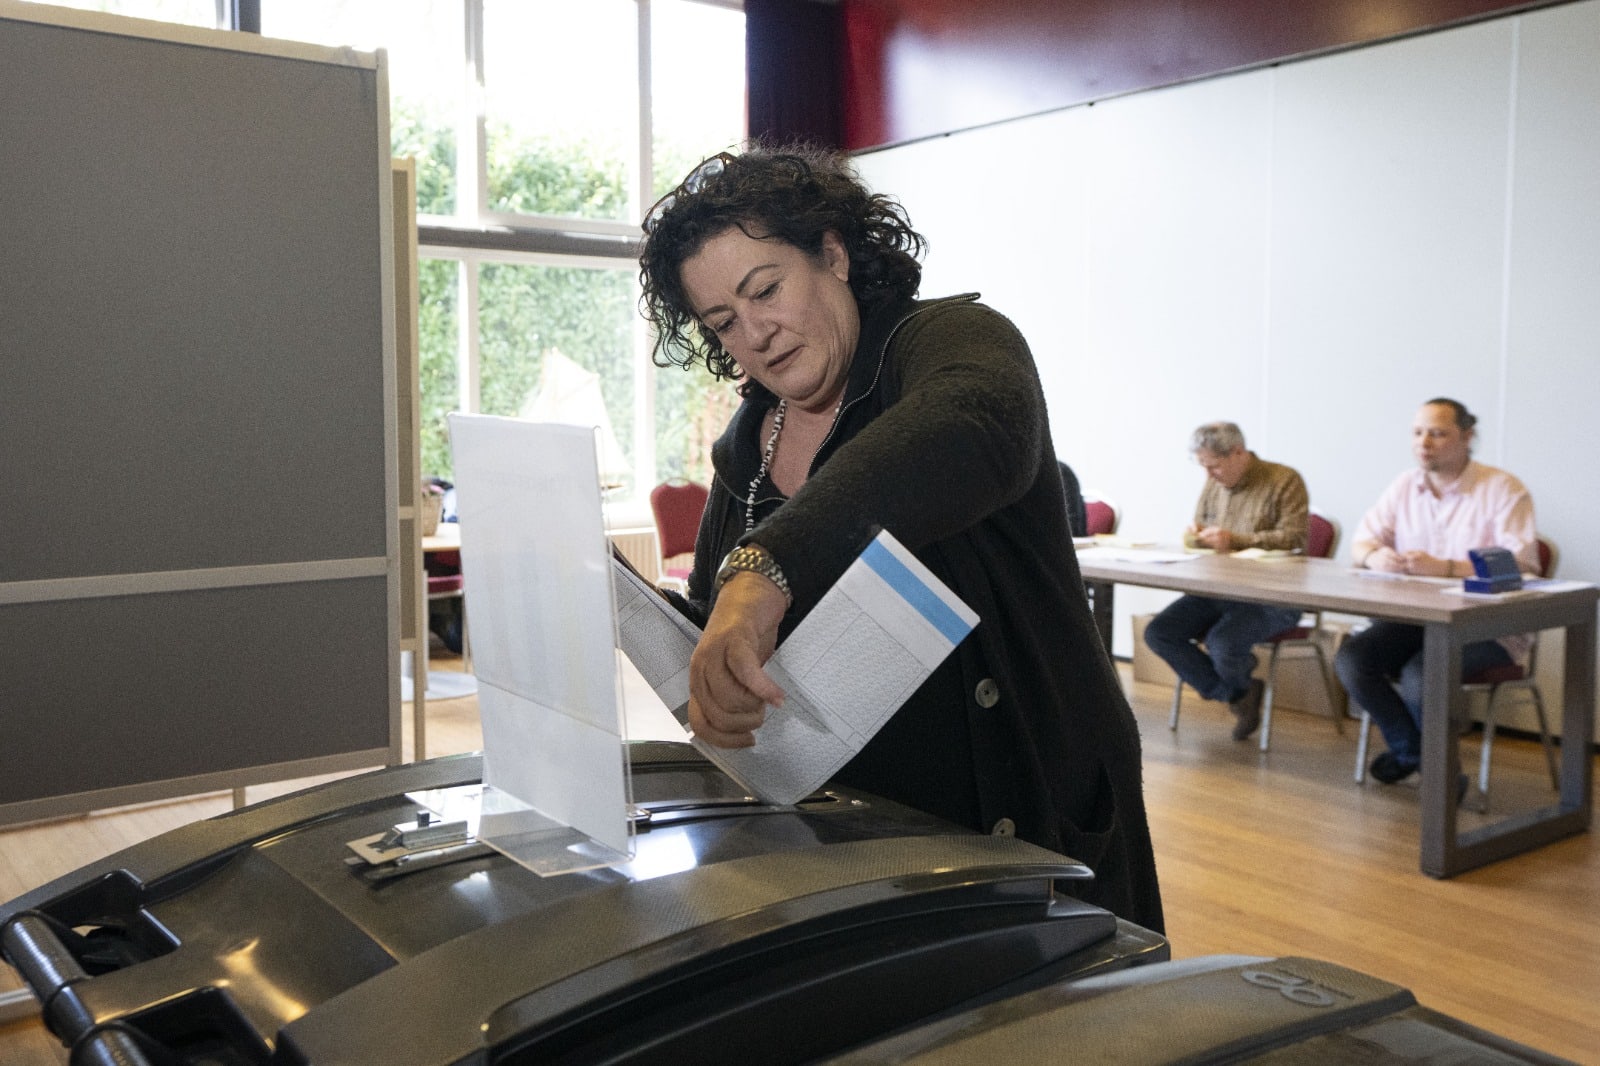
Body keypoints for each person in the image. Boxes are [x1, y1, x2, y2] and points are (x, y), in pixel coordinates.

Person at [637, 145, 1163, 933]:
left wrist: (767, 568)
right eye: (724, 321)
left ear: (835, 254)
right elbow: (722, 611)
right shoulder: (747, 446)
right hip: (859, 832)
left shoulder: (947, 342)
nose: (756, 332)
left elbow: (975, 425)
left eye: (767, 289)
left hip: (1024, 813)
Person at [1335, 398, 1538, 785]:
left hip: (1487, 628)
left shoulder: (1502, 488)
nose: (1424, 443)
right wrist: (1376, 556)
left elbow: (1520, 564)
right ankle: (1414, 753)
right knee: (1352, 658)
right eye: (1417, 433)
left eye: (1438, 433)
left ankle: (1440, 776)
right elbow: (1361, 543)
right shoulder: (1404, 485)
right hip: (1418, 620)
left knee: (1421, 673)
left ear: (1467, 436)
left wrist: (1445, 568)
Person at [1142, 422, 1309, 740]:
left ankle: (1235, 688)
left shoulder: (1284, 480)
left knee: (1222, 642)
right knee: (1159, 633)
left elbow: (1295, 538)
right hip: (1217, 589)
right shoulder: (1214, 483)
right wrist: (1197, 537)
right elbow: (1203, 528)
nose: (1209, 476)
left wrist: (1234, 539)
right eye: (1203, 467)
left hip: (1272, 596)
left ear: (1238, 453)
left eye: (1214, 466)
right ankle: (1235, 693)